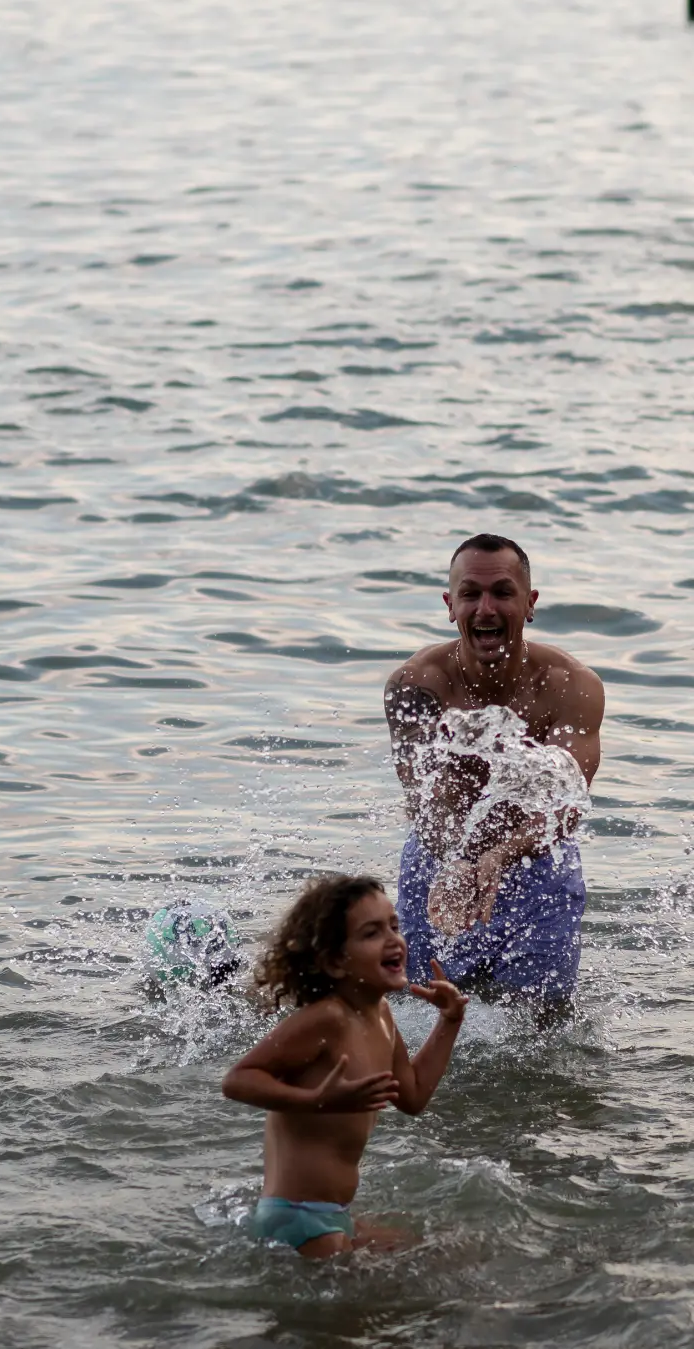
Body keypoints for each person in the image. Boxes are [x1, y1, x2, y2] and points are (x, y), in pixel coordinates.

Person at [384, 534, 604, 1014]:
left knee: (544, 1029)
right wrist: (459, 863)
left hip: (538, 866)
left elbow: (567, 805)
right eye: (470, 594)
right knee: (417, 1012)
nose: (486, 608)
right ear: (450, 605)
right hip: (438, 860)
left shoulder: (572, 686)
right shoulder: (417, 684)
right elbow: (423, 799)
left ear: (529, 603)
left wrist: (499, 858)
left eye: (503, 592)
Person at [221, 874, 467, 1258]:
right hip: (297, 1218)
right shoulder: (327, 1019)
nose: (393, 940)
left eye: (394, 926)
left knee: (452, 1253)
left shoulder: (381, 1014)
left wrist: (449, 1022)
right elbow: (237, 1080)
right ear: (335, 962)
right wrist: (316, 1099)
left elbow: (414, 1095)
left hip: (333, 1215)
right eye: (371, 933)